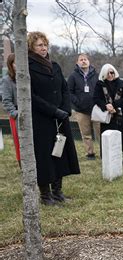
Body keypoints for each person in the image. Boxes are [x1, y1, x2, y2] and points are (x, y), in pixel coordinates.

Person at [27, 31, 80, 205]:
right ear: (31, 47)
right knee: (44, 157)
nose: (43, 48)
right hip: (42, 119)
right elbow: (32, 96)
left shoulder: (55, 65)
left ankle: (58, 192)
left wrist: (65, 109)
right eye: (39, 45)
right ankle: (45, 195)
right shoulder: (27, 67)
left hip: (60, 118)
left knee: (60, 154)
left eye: (45, 45)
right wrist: (53, 111)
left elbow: (64, 89)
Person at [93, 64, 123, 165]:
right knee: (108, 137)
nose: (110, 75)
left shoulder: (121, 83)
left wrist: (114, 105)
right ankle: (109, 159)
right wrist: (106, 106)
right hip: (108, 116)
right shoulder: (100, 84)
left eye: (112, 72)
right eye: (107, 73)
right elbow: (96, 98)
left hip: (121, 115)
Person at [68, 53, 100, 160]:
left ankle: (104, 152)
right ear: (77, 63)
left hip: (96, 109)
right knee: (86, 133)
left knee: (100, 131)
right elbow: (69, 92)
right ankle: (90, 153)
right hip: (81, 110)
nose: (83, 61)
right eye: (81, 60)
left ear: (89, 61)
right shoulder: (73, 76)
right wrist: (77, 102)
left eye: (85, 59)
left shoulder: (96, 75)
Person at [2, 53, 21, 167]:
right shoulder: (7, 80)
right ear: (11, 65)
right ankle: (22, 164)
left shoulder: (28, 78)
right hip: (17, 114)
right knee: (19, 142)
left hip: (32, 113)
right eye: (15, 63)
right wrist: (16, 114)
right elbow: (6, 101)